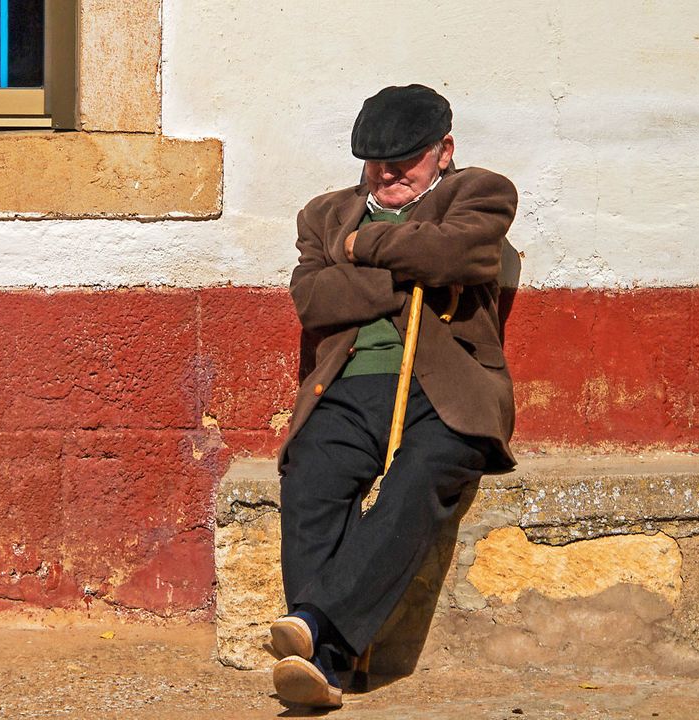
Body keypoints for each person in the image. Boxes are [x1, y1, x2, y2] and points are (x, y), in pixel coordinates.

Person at [269, 84, 518, 709]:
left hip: (450, 391)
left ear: (444, 151)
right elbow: (314, 299)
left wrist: (360, 253)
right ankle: (325, 663)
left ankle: (317, 634)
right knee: (311, 475)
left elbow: (455, 255)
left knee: (420, 477)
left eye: (405, 159)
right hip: (349, 384)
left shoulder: (480, 193)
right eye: (376, 161)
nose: (388, 173)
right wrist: (408, 273)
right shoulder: (325, 214)